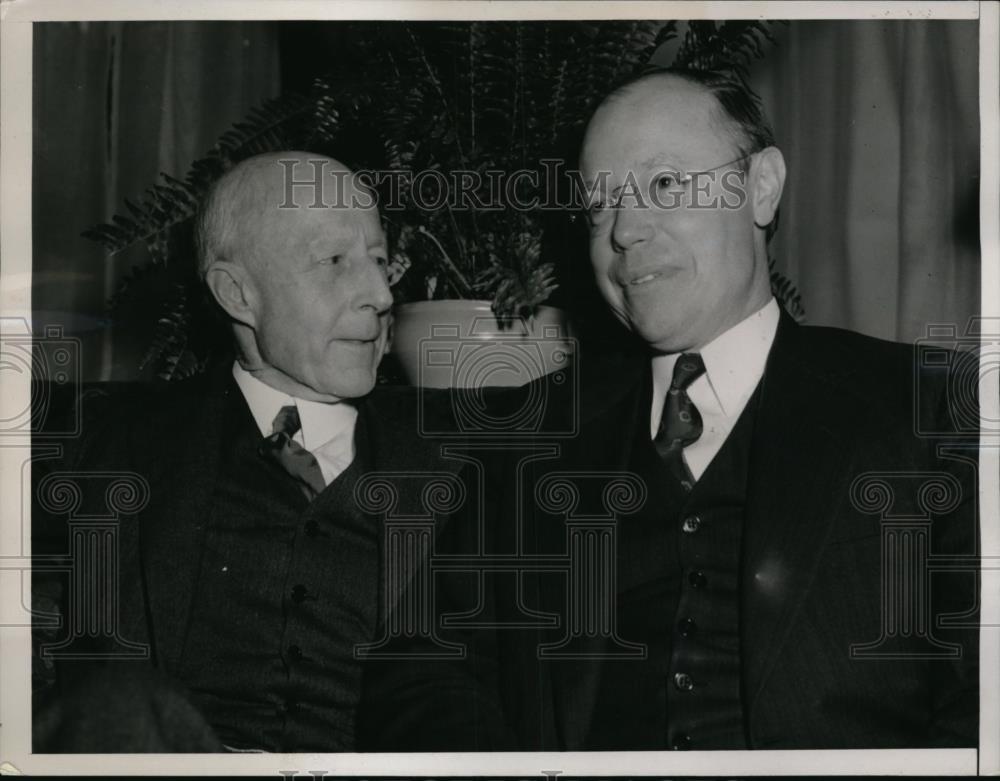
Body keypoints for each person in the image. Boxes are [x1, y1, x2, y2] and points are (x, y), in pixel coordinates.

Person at [360, 68, 979, 750]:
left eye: (663, 185)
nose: (624, 232)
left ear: (760, 188)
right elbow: (419, 673)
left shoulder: (925, 406)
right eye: (600, 206)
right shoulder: (528, 435)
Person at [32, 151, 471, 752]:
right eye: (334, 261)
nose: (379, 292)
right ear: (238, 294)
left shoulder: (457, 451)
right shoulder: (121, 438)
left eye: (377, 259)